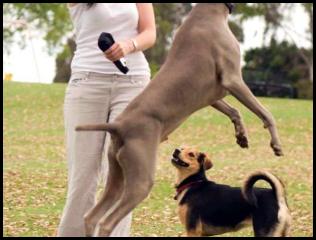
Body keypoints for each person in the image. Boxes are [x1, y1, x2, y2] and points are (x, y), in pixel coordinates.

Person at [57, 3, 156, 237]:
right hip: (87, 84)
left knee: (122, 174)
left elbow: (149, 32)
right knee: (83, 179)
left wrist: (129, 45)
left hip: (133, 84)